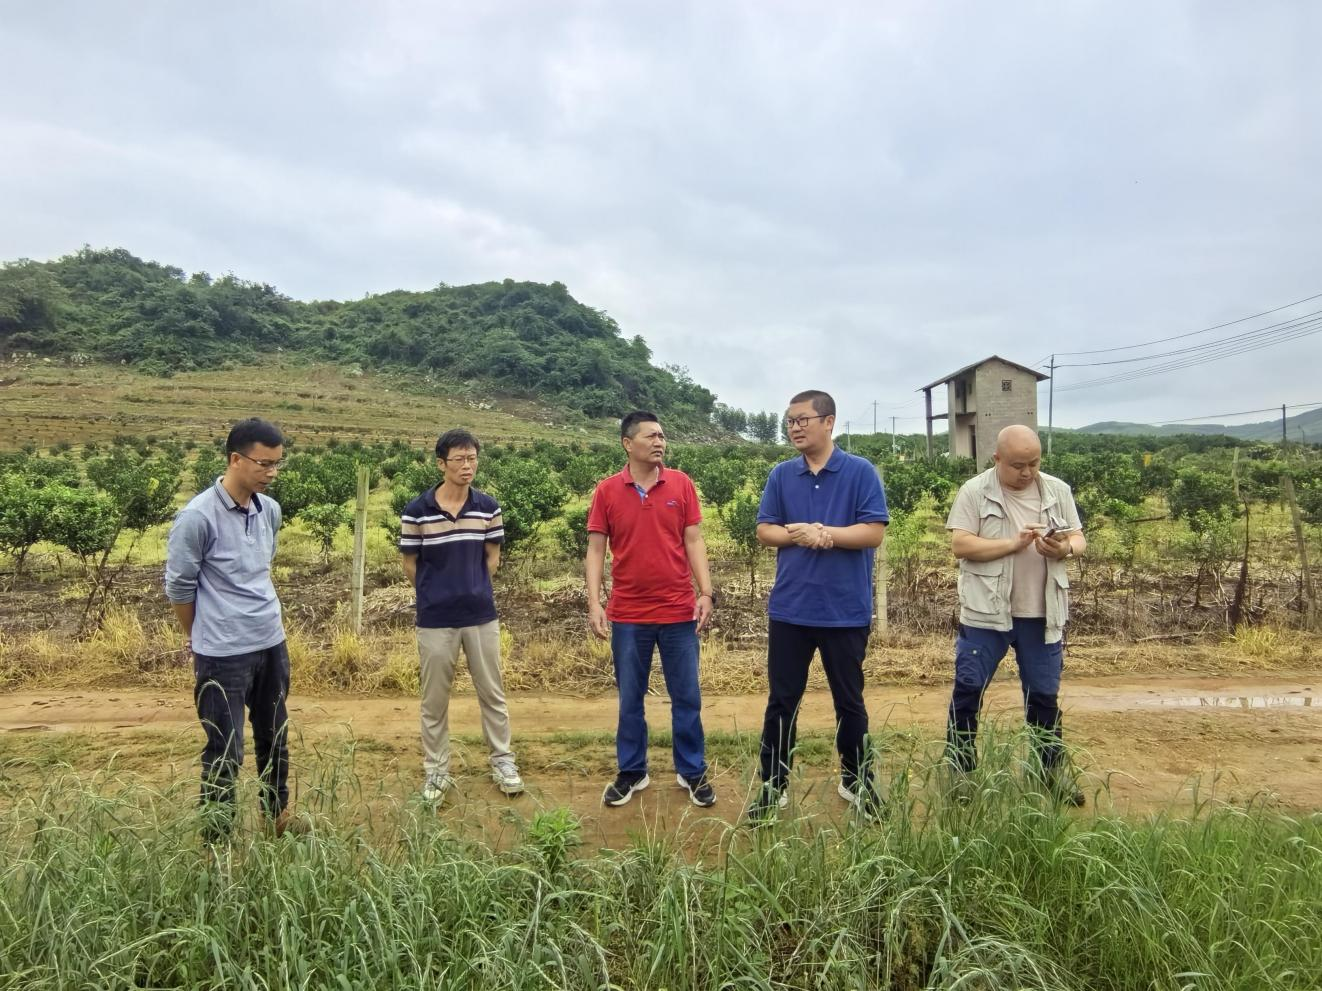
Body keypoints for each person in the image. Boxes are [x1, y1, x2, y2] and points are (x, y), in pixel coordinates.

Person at [747, 390, 889, 822]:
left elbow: (873, 532)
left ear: (828, 422)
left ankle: (857, 780)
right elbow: (765, 530)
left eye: (802, 419)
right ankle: (773, 785)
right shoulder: (781, 475)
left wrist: (825, 534)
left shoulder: (860, 472)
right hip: (791, 609)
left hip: (844, 611)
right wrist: (801, 534)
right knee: (782, 701)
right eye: (790, 421)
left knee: (849, 701)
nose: (794, 428)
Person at [165, 417, 300, 840]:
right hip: (222, 654)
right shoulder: (196, 517)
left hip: (270, 642)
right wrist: (201, 635)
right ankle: (217, 839)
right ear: (236, 459)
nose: (272, 472)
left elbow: (259, 571)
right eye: (264, 463)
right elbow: (180, 587)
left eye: (277, 463)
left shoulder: (269, 510)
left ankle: (276, 816)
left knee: (274, 736)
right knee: (224, 748)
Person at [944, 424, 1087, 806]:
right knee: (968, 693)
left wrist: (1064, 549)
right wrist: (1013, 543)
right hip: (986, 612)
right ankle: (961, 773)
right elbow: (961, 544)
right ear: (997, 459)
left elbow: (1078, 537)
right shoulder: (975, 491)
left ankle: (1050, 771)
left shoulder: (1057, 490)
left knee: (1044, 698)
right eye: (1018, 465)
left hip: (1041, 613)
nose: (1027, 472)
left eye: (1034, 463)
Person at [586, 410, 717, 808]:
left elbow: (693, 540)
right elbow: (596, 549)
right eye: (651, 436)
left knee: (686, 696)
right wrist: (595, 602)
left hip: (678, 611)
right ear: (628, 444)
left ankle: (691, 770)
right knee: (630, 698)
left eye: (662, 436)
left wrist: (706, 592)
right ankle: (632, 771)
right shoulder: (607, 491)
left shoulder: (681, 484)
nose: (660, 442)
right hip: (628, 614)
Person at [399, 428, 523, 804]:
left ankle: (503, 762)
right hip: (435, 619)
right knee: (434, 701)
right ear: (442, 464)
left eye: (472, 458)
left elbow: (492, 558)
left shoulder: (488, 507)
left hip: (481, 615)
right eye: (459, 459)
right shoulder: (416, 511)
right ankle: (437, 772)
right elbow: (409, 564)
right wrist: (435, 593)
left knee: (492, 693)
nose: (467, 465)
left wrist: (473, 588)